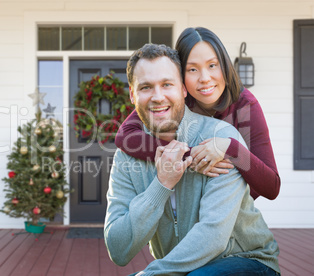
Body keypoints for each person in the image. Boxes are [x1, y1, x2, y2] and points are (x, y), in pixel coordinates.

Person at [104, 43, 280, 275]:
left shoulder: (220, 139)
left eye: (167, 84)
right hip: (178, 268)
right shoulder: (127, 156)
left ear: (183, 90)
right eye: (146, 87)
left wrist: (149, 274)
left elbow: (213, 235)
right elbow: (118, 250)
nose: (158, 97)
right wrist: (162, 184)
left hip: (246, 259)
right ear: (132, 94)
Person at [115, 27, 280, 200]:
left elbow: (271, 186)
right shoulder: (175, 100)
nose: (205, 78)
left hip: (230, 207)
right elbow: (124, 136)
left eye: (212, 65)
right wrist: (193, 156)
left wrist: (230, 148)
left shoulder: (245, 106)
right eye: (192, 69)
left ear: (224, 65)